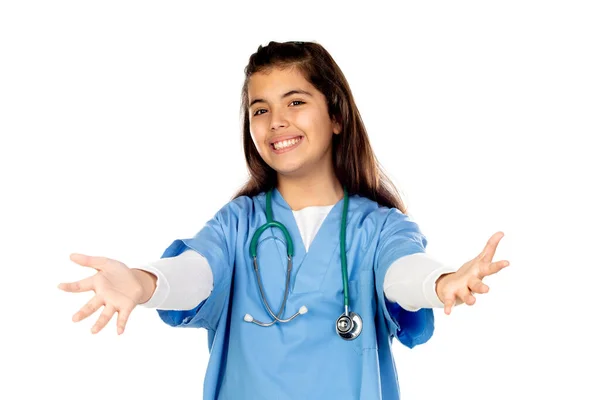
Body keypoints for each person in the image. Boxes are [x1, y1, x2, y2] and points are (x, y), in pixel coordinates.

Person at [58, 40, 510, 400]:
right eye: (260, 109)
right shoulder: (238, 224)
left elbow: (401, 271)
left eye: (295, 102)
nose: (276, 121)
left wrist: (441, 281)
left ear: (336, 115)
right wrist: (143, 283)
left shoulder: (378, 228)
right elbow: (197, 271)